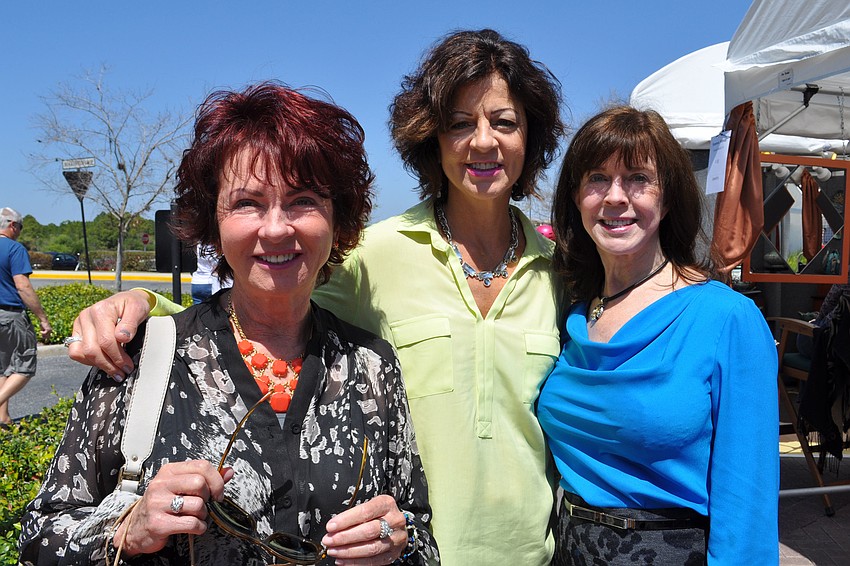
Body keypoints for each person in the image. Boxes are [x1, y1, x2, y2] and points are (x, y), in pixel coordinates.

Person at [66, 29, 565, 565]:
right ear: (431, 139)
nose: (483, 141)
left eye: (505, 121)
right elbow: (268, 289)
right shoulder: (375, 253)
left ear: (530, 139)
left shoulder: (564, 272)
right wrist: (140, 306)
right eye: (460, 123)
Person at [19, 82, 438, 565]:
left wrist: (397, 541)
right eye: (247, 203)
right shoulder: (140, 358)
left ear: (337, 219)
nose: (277, 228)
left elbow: (420, 533)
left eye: (303, 200)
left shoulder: (371, 366)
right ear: (212, 222)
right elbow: (40, 536)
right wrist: (126, 529)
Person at [536, 106, 779, 564]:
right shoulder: (571, 313)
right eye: (597, 178)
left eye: (637, 179)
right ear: (575, 198)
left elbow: (748, 508)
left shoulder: (727, 318)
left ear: (667, 199)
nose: (615, 197)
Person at [0, 207, 52, 427]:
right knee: (24, 367)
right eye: (20, 227)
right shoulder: (14, 249)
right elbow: (23, 287)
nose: (20, 231)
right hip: (11, 315)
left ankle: (3, 418)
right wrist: (42, 318)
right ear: (12, 225)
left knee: (2, 367)